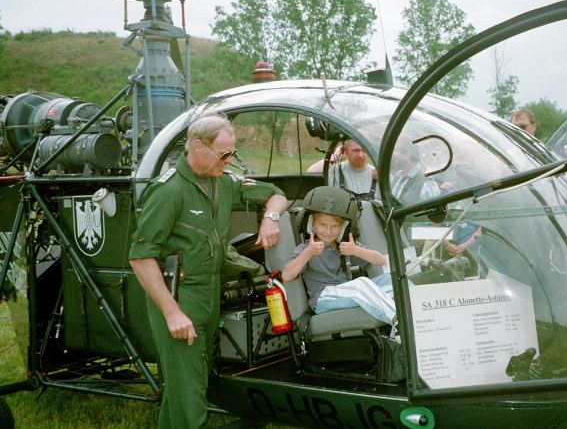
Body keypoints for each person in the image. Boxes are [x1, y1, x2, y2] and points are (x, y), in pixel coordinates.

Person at [129, 115, 287, 428]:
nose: (229, 161)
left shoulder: (223, 182)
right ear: (198, 146)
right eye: (224, 154)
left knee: (187, 383)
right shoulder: (169, 191)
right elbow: (141, 258)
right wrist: (172, 313)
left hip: (209, 293)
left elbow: (277, 193)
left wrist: (270, 217)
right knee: (188, 389)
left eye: (233, 154)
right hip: (179, 296)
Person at [281, 186, 395, 325]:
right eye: (322, 225)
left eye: (335, 226)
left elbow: (380, 260)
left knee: (393, 279)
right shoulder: (306, 248)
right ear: (312, 225)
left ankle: (421, 313)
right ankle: (398, 322)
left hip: (346, 292)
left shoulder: (345, 246)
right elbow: (286, 276)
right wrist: (308, 253)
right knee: (361, 284)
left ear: (343, 228)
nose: (328, 231)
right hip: (322, 299)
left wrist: (356, 251)